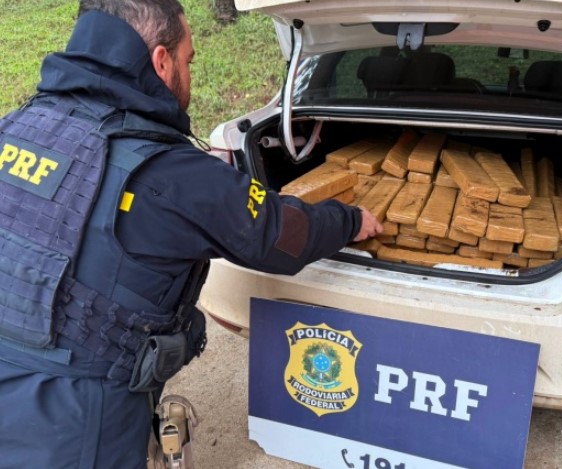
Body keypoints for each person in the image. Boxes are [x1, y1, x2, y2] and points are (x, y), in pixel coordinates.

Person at [0, 1, 383, 468]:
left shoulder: (17, 126)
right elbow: (280, 235)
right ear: (161, 62)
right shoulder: (174, 175)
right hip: (76, 423)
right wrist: (350, 220)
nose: (190, 74)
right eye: (189, 60)